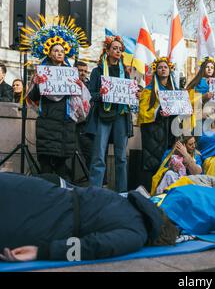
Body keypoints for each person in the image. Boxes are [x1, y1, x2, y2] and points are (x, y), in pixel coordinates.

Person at [0, 173, 178, 262]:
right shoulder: (137, 234)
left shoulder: (129, 201)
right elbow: (94, 246)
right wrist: (43, 252)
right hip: (46, 223)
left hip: (40, 192)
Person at [24, 18, 91, 179]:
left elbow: (81, 98)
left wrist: (78, 85)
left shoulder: (71, 73)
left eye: (61, 51)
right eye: (55, 50)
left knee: (62, 166)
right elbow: (32, 98)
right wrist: (39, 84)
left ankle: (62, 197)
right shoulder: (40, 73)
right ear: (49, 52)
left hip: (65, 123)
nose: (59, 53)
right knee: (46, 165)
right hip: (47, 122)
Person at [86, 36, 135, 192]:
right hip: (103, 116)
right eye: (114, 48)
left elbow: (128, 95)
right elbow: (89, 94)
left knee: (121, 158)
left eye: (120, 49)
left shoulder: (125, 73)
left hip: (121, 116)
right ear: (107, 51)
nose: (118, 51)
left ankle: (122, 193)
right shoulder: (97, 71)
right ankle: (95, 191)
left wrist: (134, 94)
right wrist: (101, 94)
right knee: (99, 156)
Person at [138, 57, 177, 187]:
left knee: (168, 163)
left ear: (169, 70)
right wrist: (158, 112)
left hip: (171, 130)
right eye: (160, 67)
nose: (163, 69)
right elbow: (143, 112)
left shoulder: (176, 91)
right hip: (154, 132)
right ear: (156, 71)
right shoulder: (148, 90)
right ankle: (151, 191)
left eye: (165, 67)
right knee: (153, 163)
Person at [74, 61, 93, 171]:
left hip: (86, 124)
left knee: (89, 153)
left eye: (85, 71)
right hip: (74, 122)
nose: (83, 73)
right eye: (80, 70)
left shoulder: (89, 85)